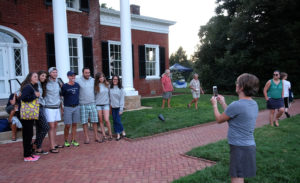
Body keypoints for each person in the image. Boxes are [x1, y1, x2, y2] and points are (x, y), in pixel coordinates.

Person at [210, 73, 259, 183]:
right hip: (249, 146)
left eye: (237, 82)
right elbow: (233, 117)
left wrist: (214, 104)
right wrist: (222, 103)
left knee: (237, 177)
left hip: (239, 147)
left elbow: (219, 119)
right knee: (240, 175)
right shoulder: (254, 104)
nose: (235, 84)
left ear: (241, 87)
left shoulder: (237, 105)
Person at [19, 72, 41, 162]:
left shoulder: (32, 86)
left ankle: (29, 153)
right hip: (27, 114)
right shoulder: (28, 87)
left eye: (37, 76)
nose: (37, 78)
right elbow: (24, 98)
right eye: (35, 76)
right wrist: (34, 96)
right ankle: (27, 155)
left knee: (29, 134)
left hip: (30, 114)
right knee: (27, 135)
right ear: (30, 78)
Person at [76, 67, 100, 144]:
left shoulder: (93, 80)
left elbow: (97, 90)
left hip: (92, 103)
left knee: (94, 121)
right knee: (84, 122)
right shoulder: (78, 81)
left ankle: (96, 136)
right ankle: (87, 138)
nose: (88, 74)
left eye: (89, 72)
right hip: (83, 104)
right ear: (83, 73)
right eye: (86, 73)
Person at [44, 67, 63, 153]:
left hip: (56, 107)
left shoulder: (58, 82)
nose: (55, 74)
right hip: (49, 107)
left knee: (55, 125)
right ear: (50, 73)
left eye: (56, 72)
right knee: (51, 126)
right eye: (53, 72)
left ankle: (54, 143)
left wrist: (61, 106)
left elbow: (60, 95)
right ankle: (52, 147)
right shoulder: (45, 82)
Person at [33, 70, 50, 155]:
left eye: (45, 76)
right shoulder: (35, 84)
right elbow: (20, 91)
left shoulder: (41, 84)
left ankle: (38, 147)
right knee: (46, 127)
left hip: (41, 107)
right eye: (42, 76)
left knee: (40, 128)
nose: (44, 77)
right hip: (37, 107)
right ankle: (36, 144)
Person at [61, 71, 80, 147]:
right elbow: (61, 96)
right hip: (68, 107)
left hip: (76, 107)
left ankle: (73, 140)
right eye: (71, 76)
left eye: (74, 76)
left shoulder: (77, 85)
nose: (73, 77)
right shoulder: (64, 86)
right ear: (68, 77)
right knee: (68, 125)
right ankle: (66, 140)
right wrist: (61, 108)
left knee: (75, 124)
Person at [94, 72, 113, 141]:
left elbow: (110, 95)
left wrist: (110, 104)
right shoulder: (96, 86)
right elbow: (94, 96)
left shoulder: (107, 85)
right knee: (101, 120)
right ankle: (104, 135)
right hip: (98, 105)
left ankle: (110, 134)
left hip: (106, 104)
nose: (101, 78)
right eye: (100, 77)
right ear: (98, 79)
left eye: (102, 77)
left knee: (107, 120)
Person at [110, 75, 126, 141]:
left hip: (118, 107)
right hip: (112, 107)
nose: (115, 80)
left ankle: (122, 131)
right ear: (112, 80)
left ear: (118, 80)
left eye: (116, 79)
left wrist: (121, 109)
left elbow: (122, 99)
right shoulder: (110, 88)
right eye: (114, 79)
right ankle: (118, 134)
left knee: (118, 121)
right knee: (114, 121)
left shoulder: (121, 89)